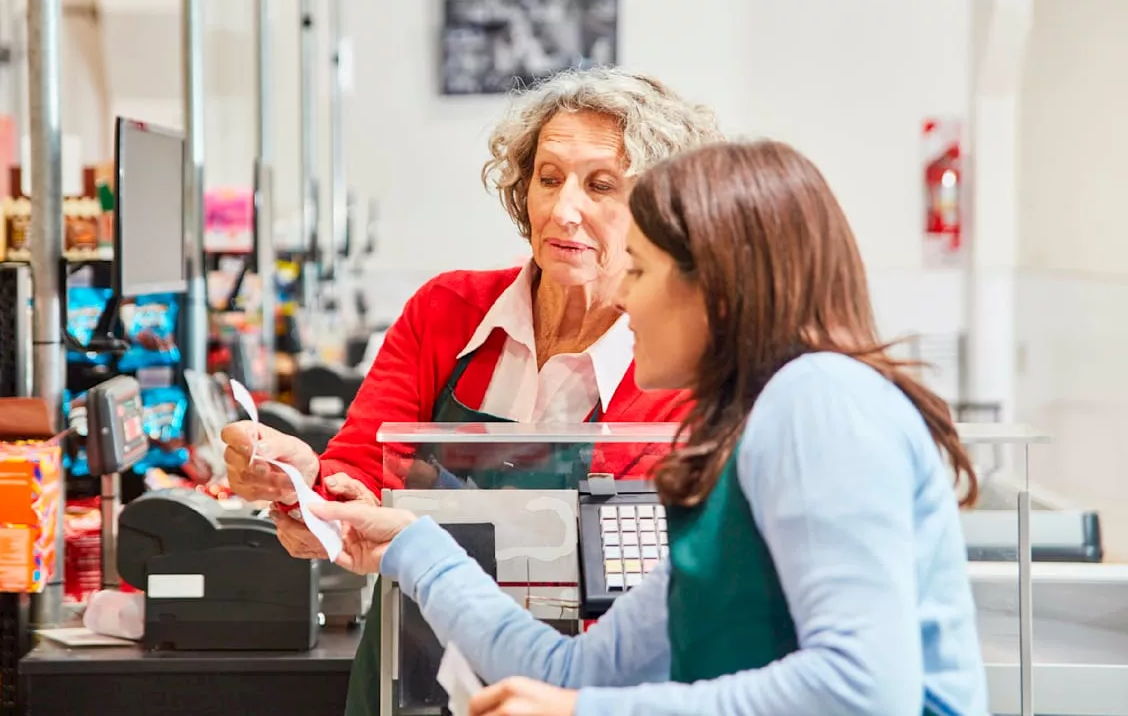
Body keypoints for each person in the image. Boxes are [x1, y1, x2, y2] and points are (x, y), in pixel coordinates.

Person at [309, 140, 990, 716]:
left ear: (716, 288)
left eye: (638, 269)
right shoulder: (745, 440)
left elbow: (864, 689)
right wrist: (412, 548)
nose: (620, 294)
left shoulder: (819, 399)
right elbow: (571, 670)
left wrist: (587, 714)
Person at [221, 67, 725, 716]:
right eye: (548, 178)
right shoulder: (447, 311)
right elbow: (358, 473)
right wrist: (303, 483)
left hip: (570, 685)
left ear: (657, 212)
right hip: (411, 662)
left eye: (600, 185)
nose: (561, 207)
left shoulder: (676, 366)